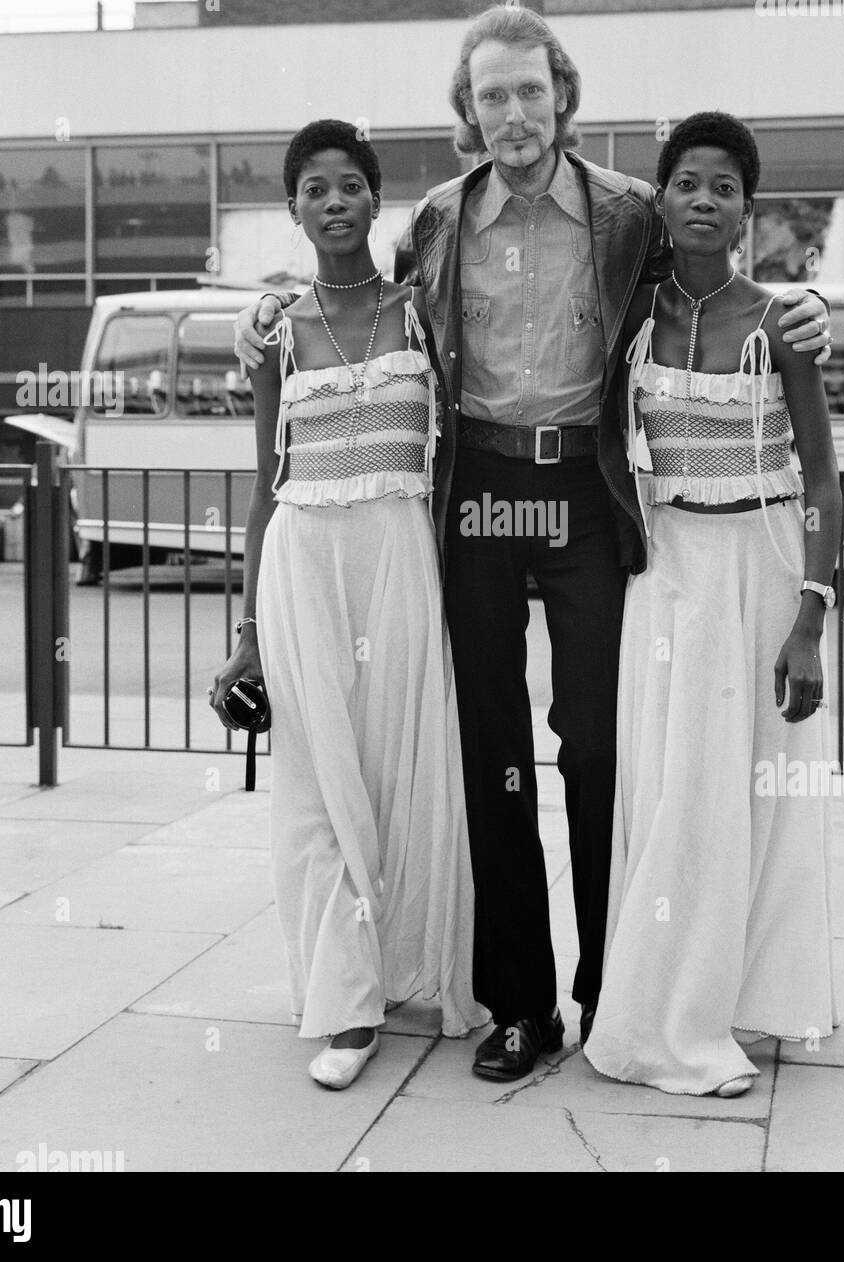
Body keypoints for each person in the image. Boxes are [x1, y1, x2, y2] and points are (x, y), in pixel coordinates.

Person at [233, 6, 832, 1083]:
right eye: (491, 96)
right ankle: (519, 1004)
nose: (512, 114)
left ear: (562, 99)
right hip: (477, 488)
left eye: (529, 91)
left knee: (599, 748)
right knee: (489, 749)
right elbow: (353, 297)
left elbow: (716, 276)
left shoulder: (631, 212)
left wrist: (811, 309)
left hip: (585, 493)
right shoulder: (435, 221)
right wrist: (261, 310)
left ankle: (610, 990)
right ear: (467, 113)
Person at [210, 119, 487, 1092]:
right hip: (303, 565)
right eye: (314, 189)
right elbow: (265, 483)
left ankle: (407, 970)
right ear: (292, 208)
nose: (334, 202)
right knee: (319, 784)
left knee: (406, 776)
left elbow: (453, 458)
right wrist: (248, 633)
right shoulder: (274, 332)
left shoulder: (423, 317)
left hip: (401, 561)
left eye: (350, 186)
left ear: (376, 199)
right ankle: (347, 1002)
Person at [584, 112, 841, 1098]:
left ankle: (738, 1001)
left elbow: (822, 478)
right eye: (685, 183)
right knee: (677, 796)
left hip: (763, 572)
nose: (702, 200)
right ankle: (666, 1026)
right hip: (666, 576)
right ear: (661, 200)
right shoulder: (628, 322)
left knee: (756, 797)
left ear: (747, 211)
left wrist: (810, 619)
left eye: (723, 187)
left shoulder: (781, 324)